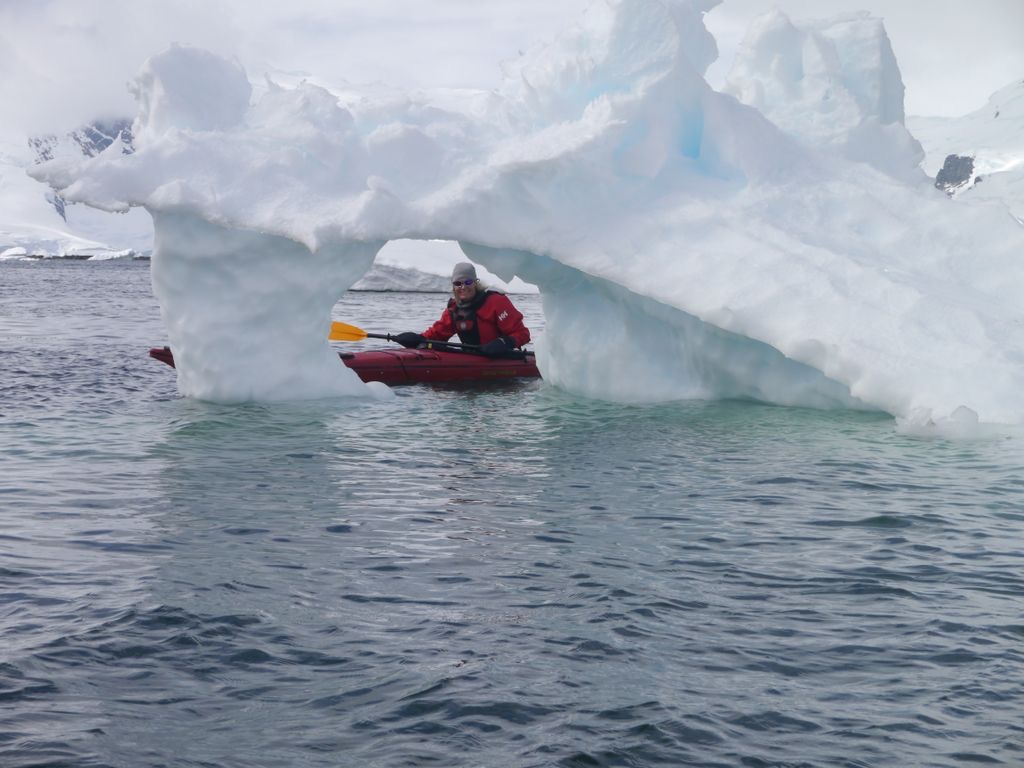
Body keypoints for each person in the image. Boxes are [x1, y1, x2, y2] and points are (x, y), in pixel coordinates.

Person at [393, 262, 531, 357]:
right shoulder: (454, 309)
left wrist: (504, 342)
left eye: (468, 282)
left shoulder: (497, 302)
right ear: (453, 286)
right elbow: (437, 335)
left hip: (500, 360)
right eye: (458, 283)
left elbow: (523, 334)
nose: (463, 287)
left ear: (475, 283)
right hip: (472, 359)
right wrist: (417, 339)